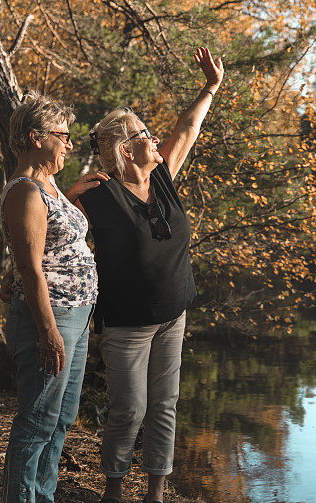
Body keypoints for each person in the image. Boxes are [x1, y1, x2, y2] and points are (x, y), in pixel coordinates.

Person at [75, 47, 224, 503]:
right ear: (125, 148)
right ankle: (114, 492)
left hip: (173, 315)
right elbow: (47, 231)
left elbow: (188, 127)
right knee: (129, 410)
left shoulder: (161, 178)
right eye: (144, 133)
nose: (155, 138)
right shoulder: (100, 196)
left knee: (164, 407)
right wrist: (64, 194)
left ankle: (156, 493)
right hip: (126, 325)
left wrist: (210, 87)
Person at [0, 92, 106, 503]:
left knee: (61, 418)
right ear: (36, 137)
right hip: (51, 317)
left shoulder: (49, 185)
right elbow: (29, 267)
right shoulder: (26, 191)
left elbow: (46, 245)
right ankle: (20, 498)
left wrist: (73, 193)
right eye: (63, 135)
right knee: (38, 419)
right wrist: (48, 331)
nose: (69, 143)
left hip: (76, 314)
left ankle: (41, 495)